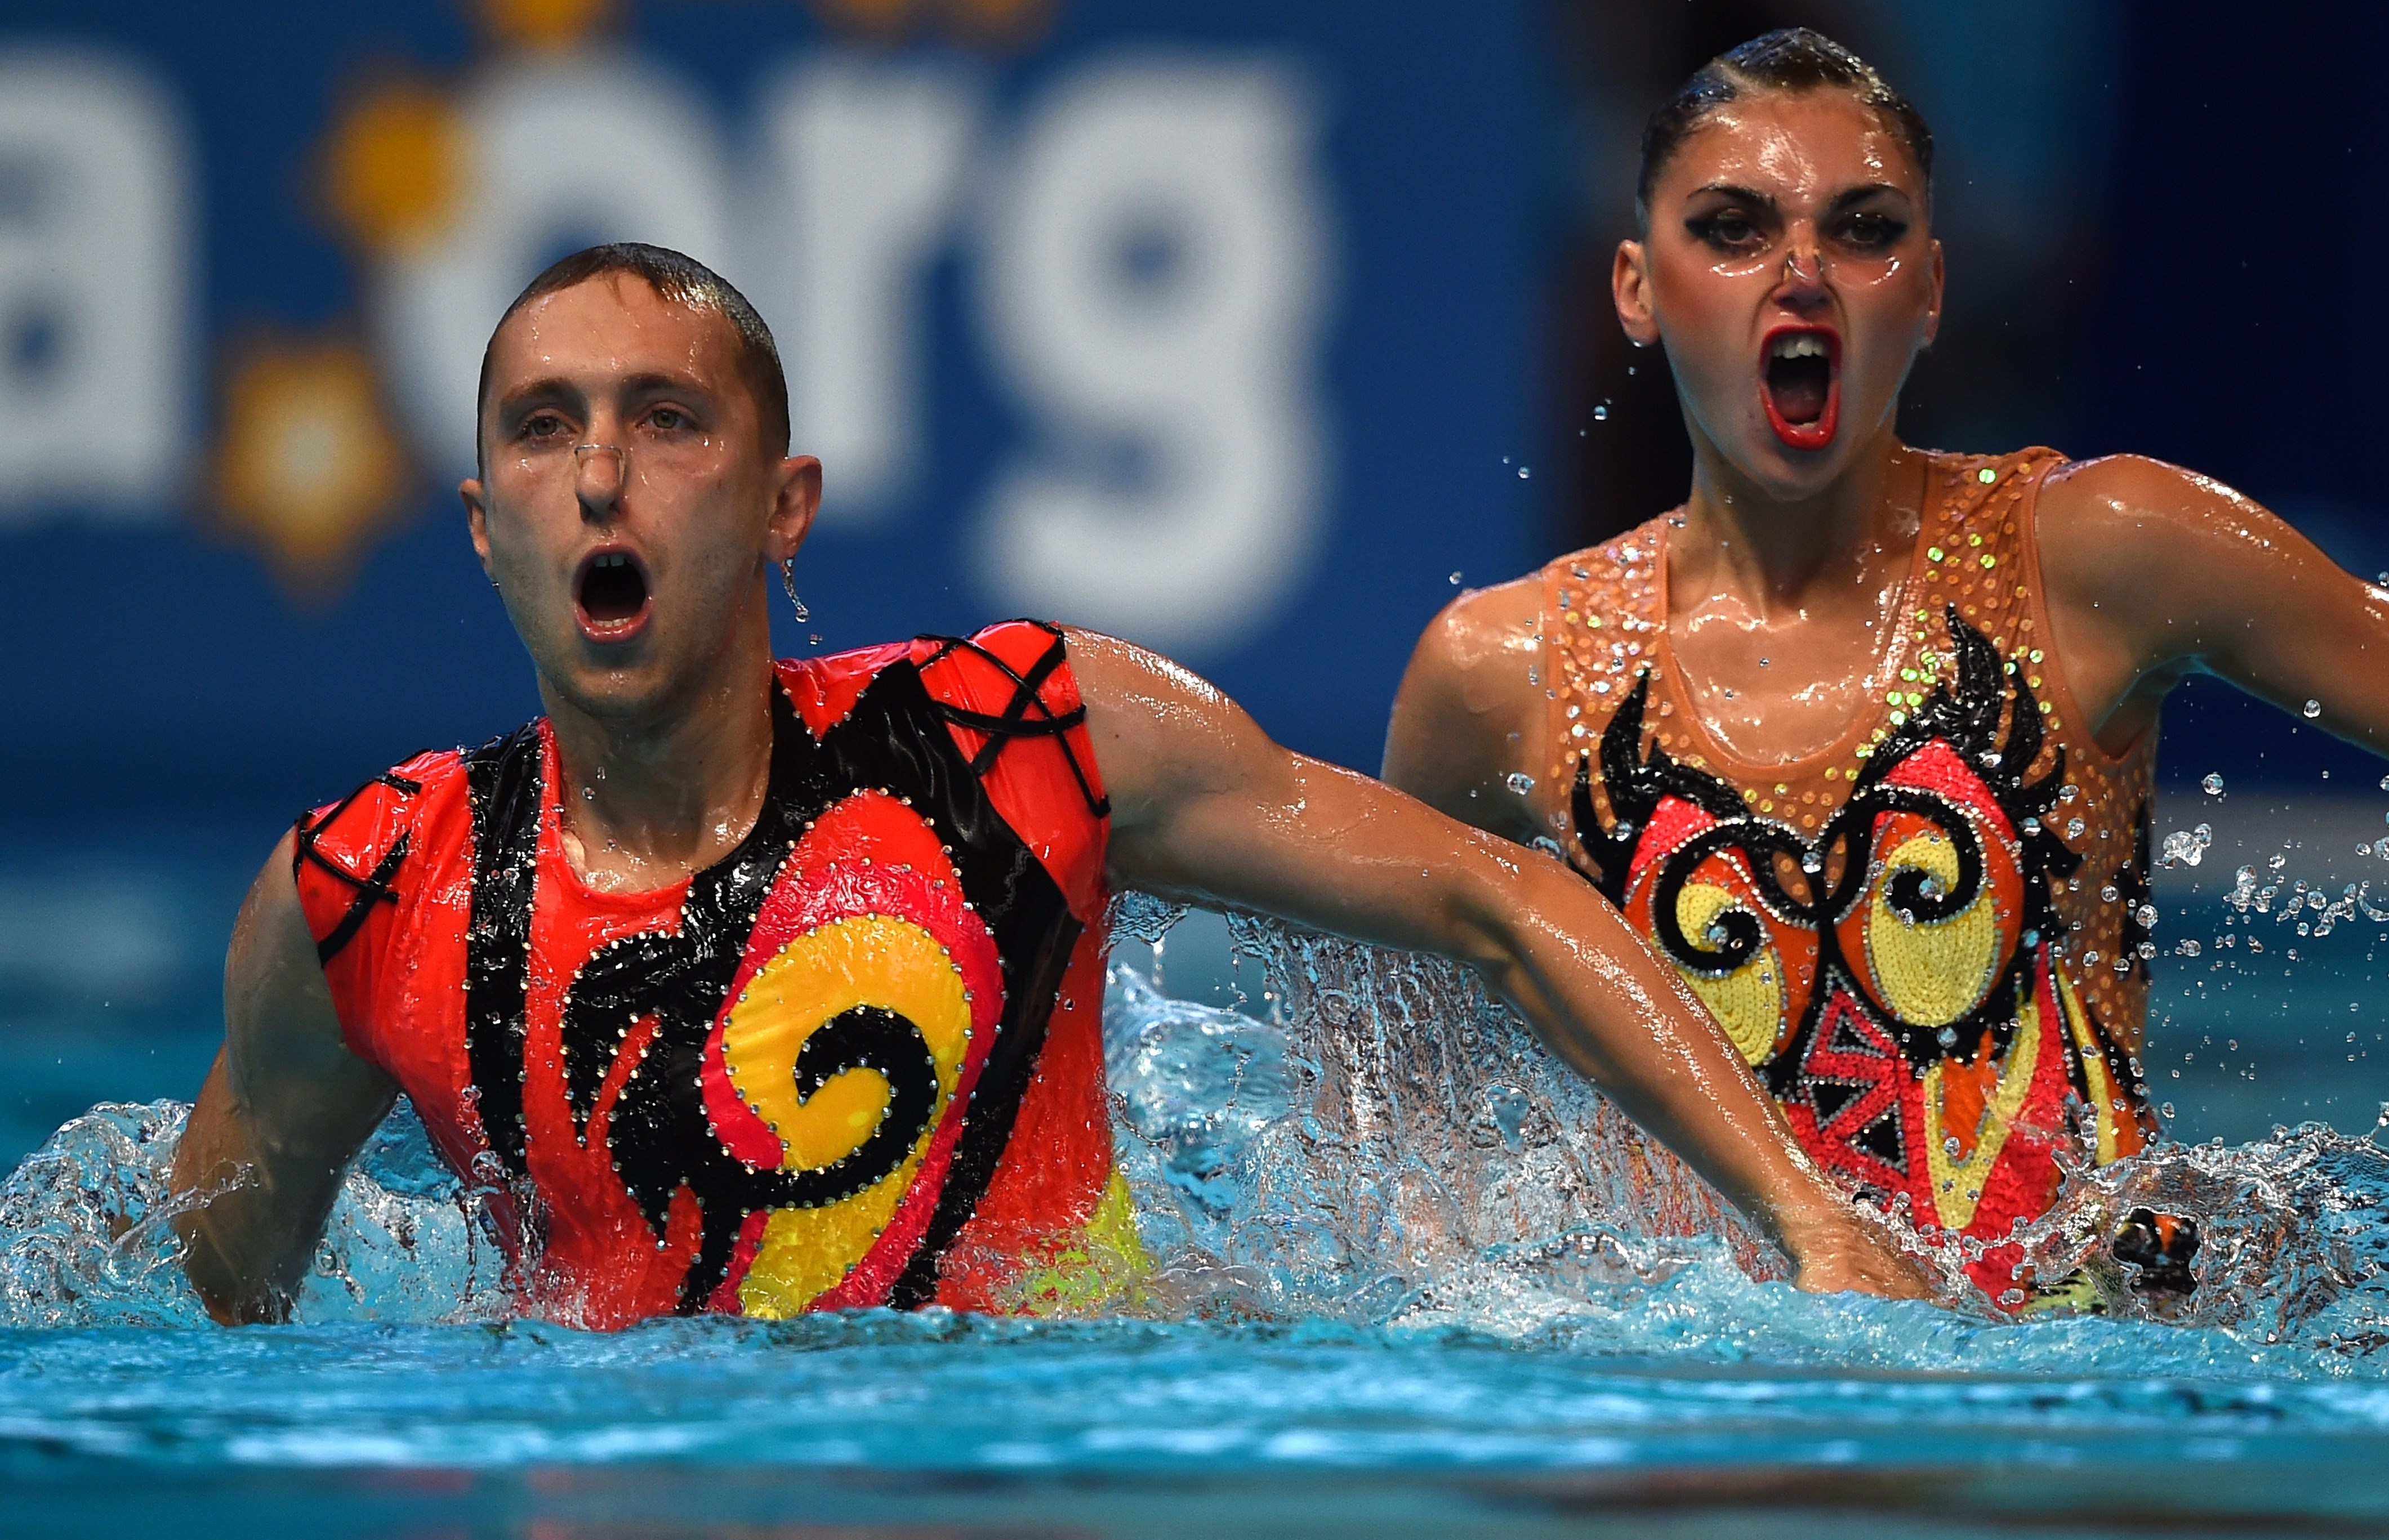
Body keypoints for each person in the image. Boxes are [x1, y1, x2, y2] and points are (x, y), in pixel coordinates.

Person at [168, 242, 1936, 1329]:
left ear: (786, 506)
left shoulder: (1024, 744)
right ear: (485, 529)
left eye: (667, 421)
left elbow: (1496, 900)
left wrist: (1805, 1220)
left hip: (1025, 1494)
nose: (603, 477)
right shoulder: (369, 897)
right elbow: (211, 1325)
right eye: (544, 429)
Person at [1384, 29, 2389, 1309]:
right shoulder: (1505, 668)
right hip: (1711, 1393)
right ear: (1634, 285)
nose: (1800, 271)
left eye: (1863, 227)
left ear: (1930, 289)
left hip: (2079, 1364)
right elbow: (1379, 1047)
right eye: (1732, 228)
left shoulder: (2096, 553)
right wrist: (1437, 1241)